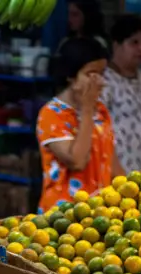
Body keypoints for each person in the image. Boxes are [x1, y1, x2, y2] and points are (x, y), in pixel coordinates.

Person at [36, 37, 124, 212]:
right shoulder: (51, 114)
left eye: (102, 73)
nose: (99, 82)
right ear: (71, 76)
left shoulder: (100, 111)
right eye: (91, 74)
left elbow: (112, 164)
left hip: (100, 213)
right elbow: (77, 161)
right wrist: (87, 109)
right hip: (63, 217)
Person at [103, 15, 141, 174]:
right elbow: (97, 135)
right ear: (116, 45)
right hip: (115, 178)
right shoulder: (103, 82)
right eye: (134, 43)